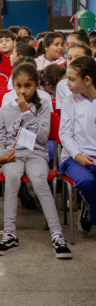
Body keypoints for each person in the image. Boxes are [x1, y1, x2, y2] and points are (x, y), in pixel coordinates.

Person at [0, 63, 72, 259]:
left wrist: (26, 112)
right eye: (18, 85)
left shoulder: (44, 105)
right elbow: (0, 138)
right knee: (11, 179)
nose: (22, 90)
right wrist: (0, 156)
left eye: (27, 85)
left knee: (39, 182)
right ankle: (9, 235)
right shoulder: (5, 109)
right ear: (13, 85)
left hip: (36, 153)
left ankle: (57, 235)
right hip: (12, 154)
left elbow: (43, 136)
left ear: (36, 85)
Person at [59, 56, 96, 234]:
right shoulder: (70, 101)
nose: (67, 84)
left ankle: (90, 206)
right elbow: (65, 134)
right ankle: (91, 208)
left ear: (87, 80)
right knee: (87, 181)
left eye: (72, 79)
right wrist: (77, 156)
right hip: (73, 157)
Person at [56, 42, 91, 111]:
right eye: (69, 58)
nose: (72, 61)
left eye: (78, 58)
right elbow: (63, 112)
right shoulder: (62, 85)